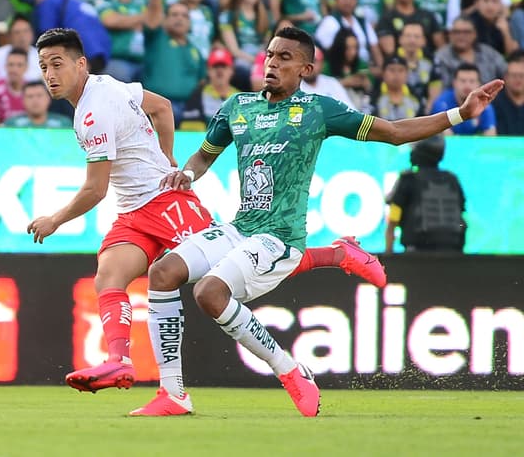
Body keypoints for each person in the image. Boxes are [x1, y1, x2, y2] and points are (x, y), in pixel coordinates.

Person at [140, 26, 499, 418]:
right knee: (162, 272)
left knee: (210, 293)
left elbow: (395, 133)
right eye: (270, 54)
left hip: (279, 237)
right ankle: (173, 394)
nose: (273, 63)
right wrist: (188, 175)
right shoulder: (237, 107)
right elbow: (205, 155)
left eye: (285, 58)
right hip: (241, 227)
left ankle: (290, 370)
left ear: (305, 69)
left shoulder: (318, 111)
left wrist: (460, 113)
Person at [27, 26, 387, 399]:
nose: (50, 75)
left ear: (80, 63)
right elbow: (161, 107)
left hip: (167, 205)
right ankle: (120, 361)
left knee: (235, 264)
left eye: (57, 64)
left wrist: (54, 219)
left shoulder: (93, 113)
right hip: (132, 211)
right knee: (108, 277)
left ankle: (338, 254)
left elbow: (95, 189)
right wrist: (168, 158)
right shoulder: (107, 86)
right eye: (43, 67)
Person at [384, 136, 467, 254]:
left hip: (417, 255)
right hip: (452, 253)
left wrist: (388, 254)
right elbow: (461, 216)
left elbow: (392, 222)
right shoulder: (452, 180)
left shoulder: (409, 179)